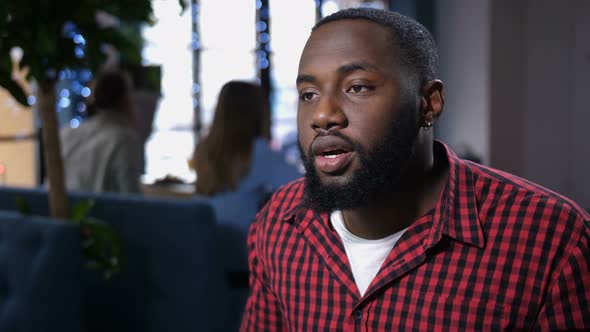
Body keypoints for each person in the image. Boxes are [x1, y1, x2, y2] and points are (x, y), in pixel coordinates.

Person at [240, 8, 590, 331]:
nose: (322, 115)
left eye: (357, 87)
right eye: (308, 94)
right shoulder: (278, 225)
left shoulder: (553, 240)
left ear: (429, 103)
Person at [193, 80, 301, 199]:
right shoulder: (257, 152)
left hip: (201, 218)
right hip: (243, 218)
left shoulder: (204, 148)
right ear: (258, 113)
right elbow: (303, 186)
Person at [61, 69, 143, 193]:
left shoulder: (66, 133)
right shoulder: (124, 139)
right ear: (125, 99)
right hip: (104, 212)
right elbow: (130, 196)